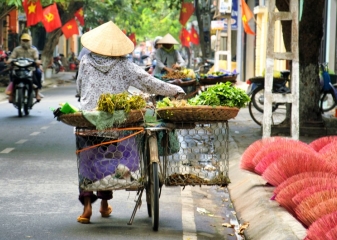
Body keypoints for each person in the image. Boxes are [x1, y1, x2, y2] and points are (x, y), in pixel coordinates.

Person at [76, 21, 185, 224]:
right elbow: (149, 82)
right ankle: (104, 203)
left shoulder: (85, 61)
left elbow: (80, 86)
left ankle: (88, 207)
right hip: (117, 121)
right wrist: (175, 90)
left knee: (88, 157)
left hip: (89, 119)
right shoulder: (124, 64)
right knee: (110, 157)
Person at [6, 33, 42, 102]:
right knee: (11, 74)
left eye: (27, 40)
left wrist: (37, 62)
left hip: (30, 68)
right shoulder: (16, 49)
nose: (25, 42)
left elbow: (36, 58)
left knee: (38, 73)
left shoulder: (34, 50)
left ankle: (37, 93)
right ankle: (11, 94)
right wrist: (9, 61)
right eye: (24, 40)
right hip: (18, 68)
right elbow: (12, 57)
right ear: (21, 41)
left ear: (30, 41)